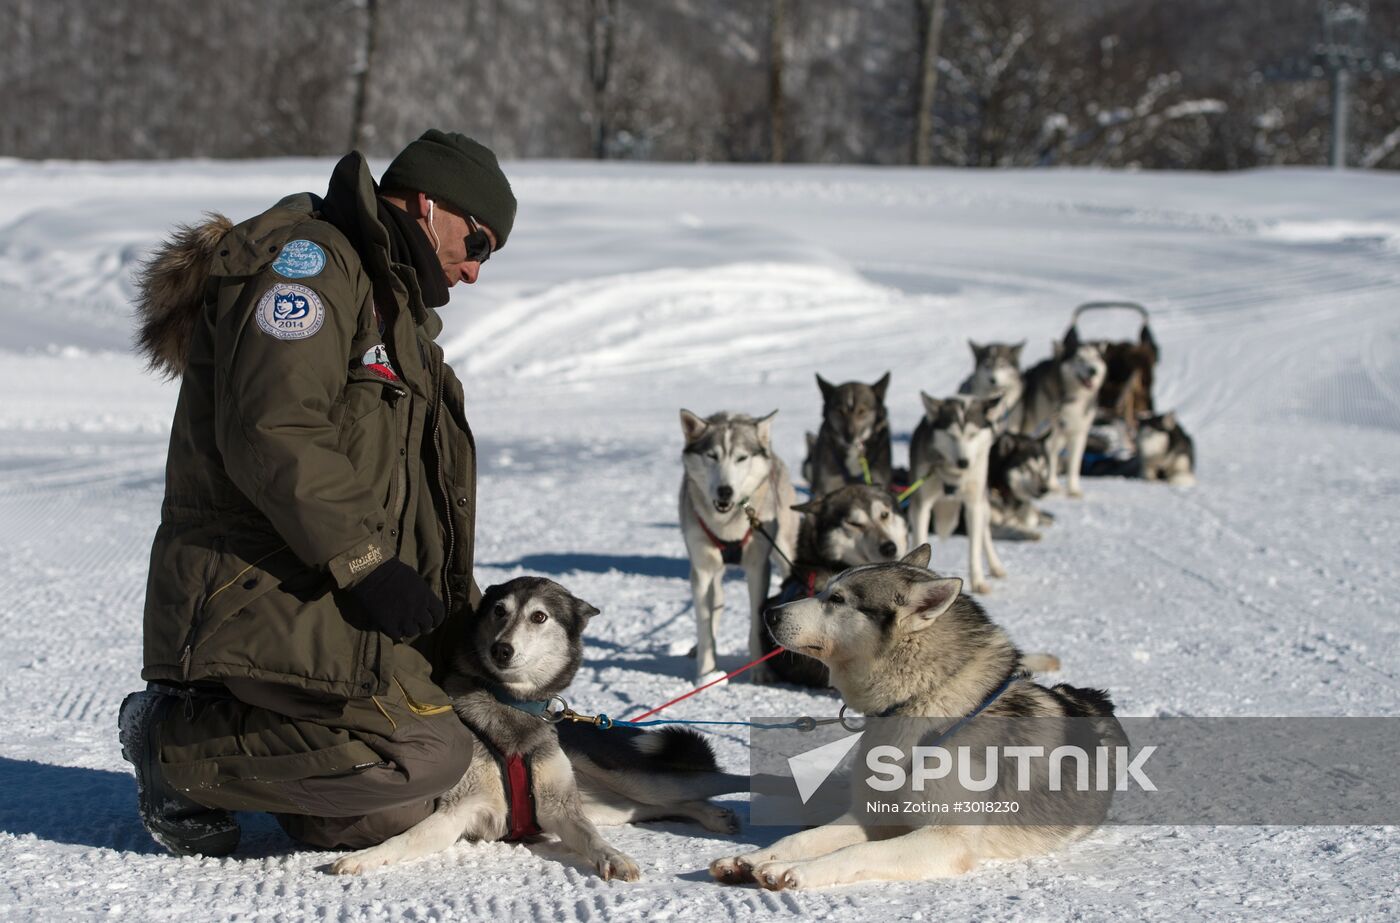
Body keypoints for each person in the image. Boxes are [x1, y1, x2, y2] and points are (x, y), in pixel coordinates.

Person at [118, 130, 516, 856]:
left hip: (320, 583)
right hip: (253, 584)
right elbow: (274, 429)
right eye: (478, 242)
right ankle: (177, 743)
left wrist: (458, 630)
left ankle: (258, 761)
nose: (475, 272)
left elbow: (417, 503)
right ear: (428, 204)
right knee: (426, 755)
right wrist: (365, 564)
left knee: (397, 807)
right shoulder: (308, 264)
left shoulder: (397, 321)